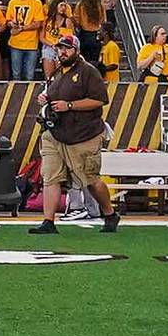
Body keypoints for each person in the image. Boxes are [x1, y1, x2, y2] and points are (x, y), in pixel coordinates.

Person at [34, 40, 113, 233]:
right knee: (51, 176)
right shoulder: (55, 73)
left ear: (76, 50)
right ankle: (48, 222)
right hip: (55, 132)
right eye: (60, 48)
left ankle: (110, 213)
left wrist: (70, 105)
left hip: (82, 134)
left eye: (67, 48)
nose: (62, 52)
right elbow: (50, 96)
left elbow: (100, 99)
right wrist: (43, 99)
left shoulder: (88, 71)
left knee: (90, 180)